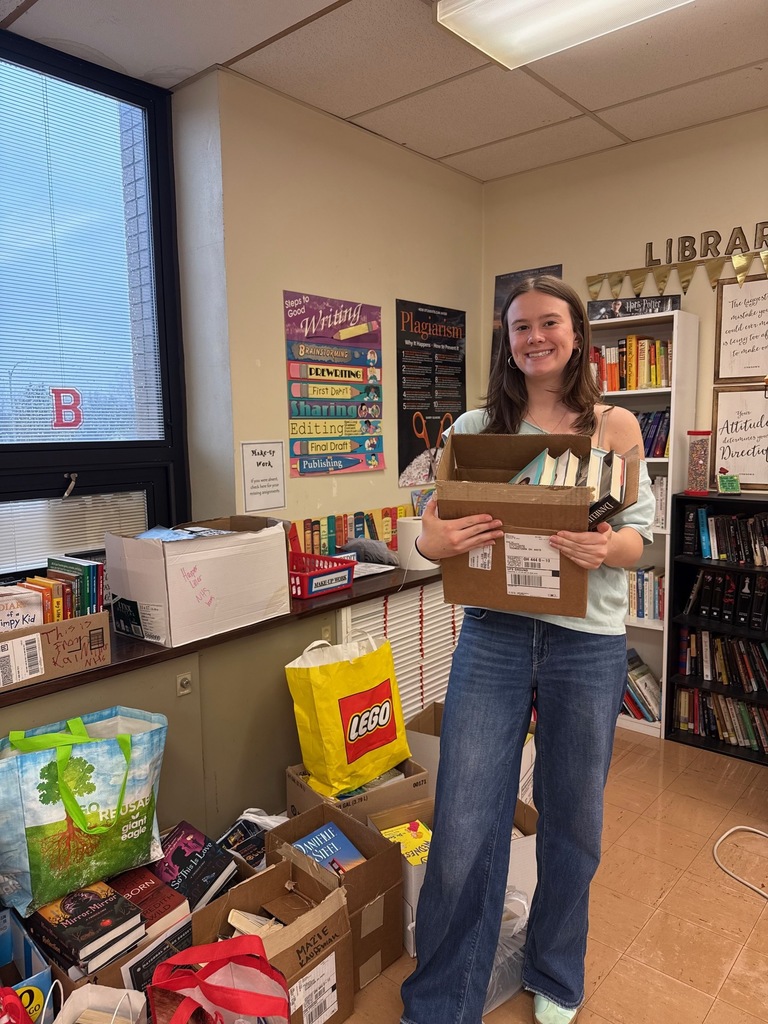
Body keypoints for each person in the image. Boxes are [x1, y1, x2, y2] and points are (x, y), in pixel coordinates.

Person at [400, 276, 655, 1024]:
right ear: (506, 342)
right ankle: (445, 998)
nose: (535, 338)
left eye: (550, 323)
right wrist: (430, 538)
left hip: (588, 644)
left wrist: (606, 546)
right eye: (520, 328)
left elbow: (641, 542)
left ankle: (555, 972)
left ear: (577, 335)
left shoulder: (616, 428)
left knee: (573, 818)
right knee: (466, 821)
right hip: (496, 634)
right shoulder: (478, 425)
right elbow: (428, 528)